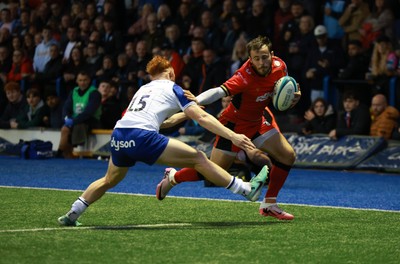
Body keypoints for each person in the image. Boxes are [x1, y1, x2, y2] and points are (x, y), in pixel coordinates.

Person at [57, 55, 268, 226]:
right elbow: (202, 117)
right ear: (170, 72)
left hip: (119, 135)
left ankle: (73, 213)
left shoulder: (143, 88)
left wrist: (170, 119)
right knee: (199, 158)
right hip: (142, 137)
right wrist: (233, 136)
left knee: (109, 180)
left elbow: (152, 116)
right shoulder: (173, 87)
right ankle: (245, 190)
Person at [156, 36, 301, 220]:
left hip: (258, 120)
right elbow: (218, 92)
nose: (261, 62)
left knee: (287, 155)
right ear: (250, 59)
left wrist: (295, 95)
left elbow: (283, 90)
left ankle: (269, 204)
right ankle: (173, 178)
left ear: (272, 55)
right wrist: (195, 102)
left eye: (265, 57)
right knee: (213, 171)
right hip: (234, 125)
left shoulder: (280, 66)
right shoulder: (244, 76)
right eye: (256, 58)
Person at [56, 71, 102, 159]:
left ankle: (62, 152)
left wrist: (73, 121)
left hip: (91, 120)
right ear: (77, 81)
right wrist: (66, 118)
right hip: (75, 119)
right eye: (80, 80)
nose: (82, 82)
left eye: (85, 80)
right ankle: (62, 152)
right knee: (65, 128)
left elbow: (89, 112)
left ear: (89, 81)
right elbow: (66, 107)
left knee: (77, 125)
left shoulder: (95, 93)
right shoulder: (74, 91)